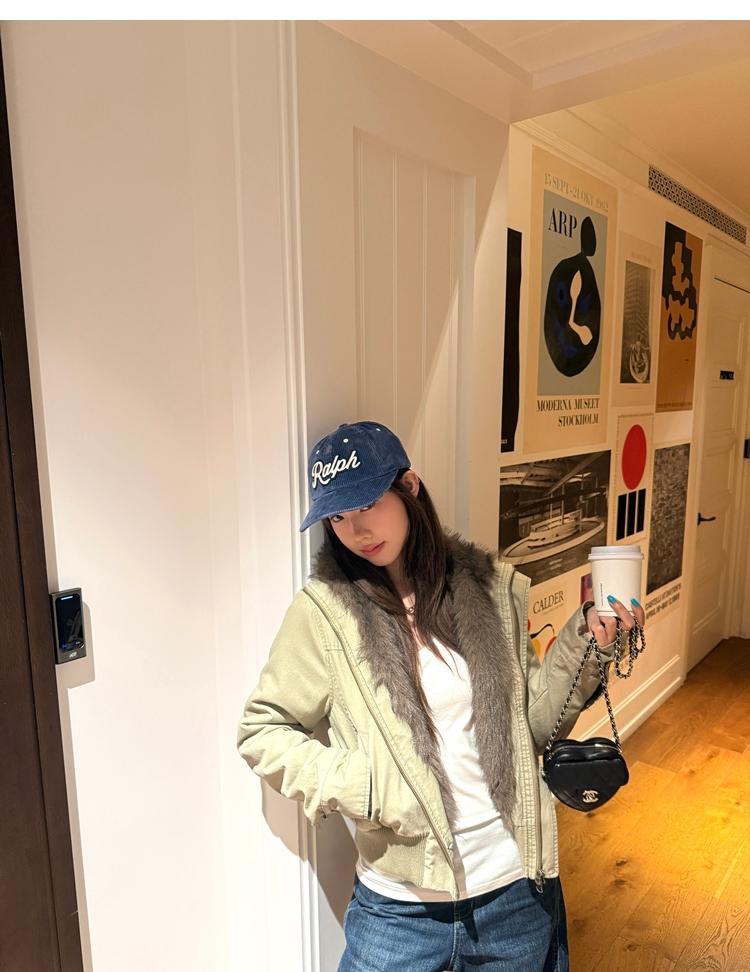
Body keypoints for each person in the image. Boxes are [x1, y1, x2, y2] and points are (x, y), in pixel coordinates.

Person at [237, 420, 645, 971]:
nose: (356, 530)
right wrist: (367, 785)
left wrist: (586, 644)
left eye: (368, 504)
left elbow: (532, 726)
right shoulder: (325, 613)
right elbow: (262, 731)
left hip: (514, 891)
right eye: (338, 516)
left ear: (409, 486)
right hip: (398, 909)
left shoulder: (490, 590)